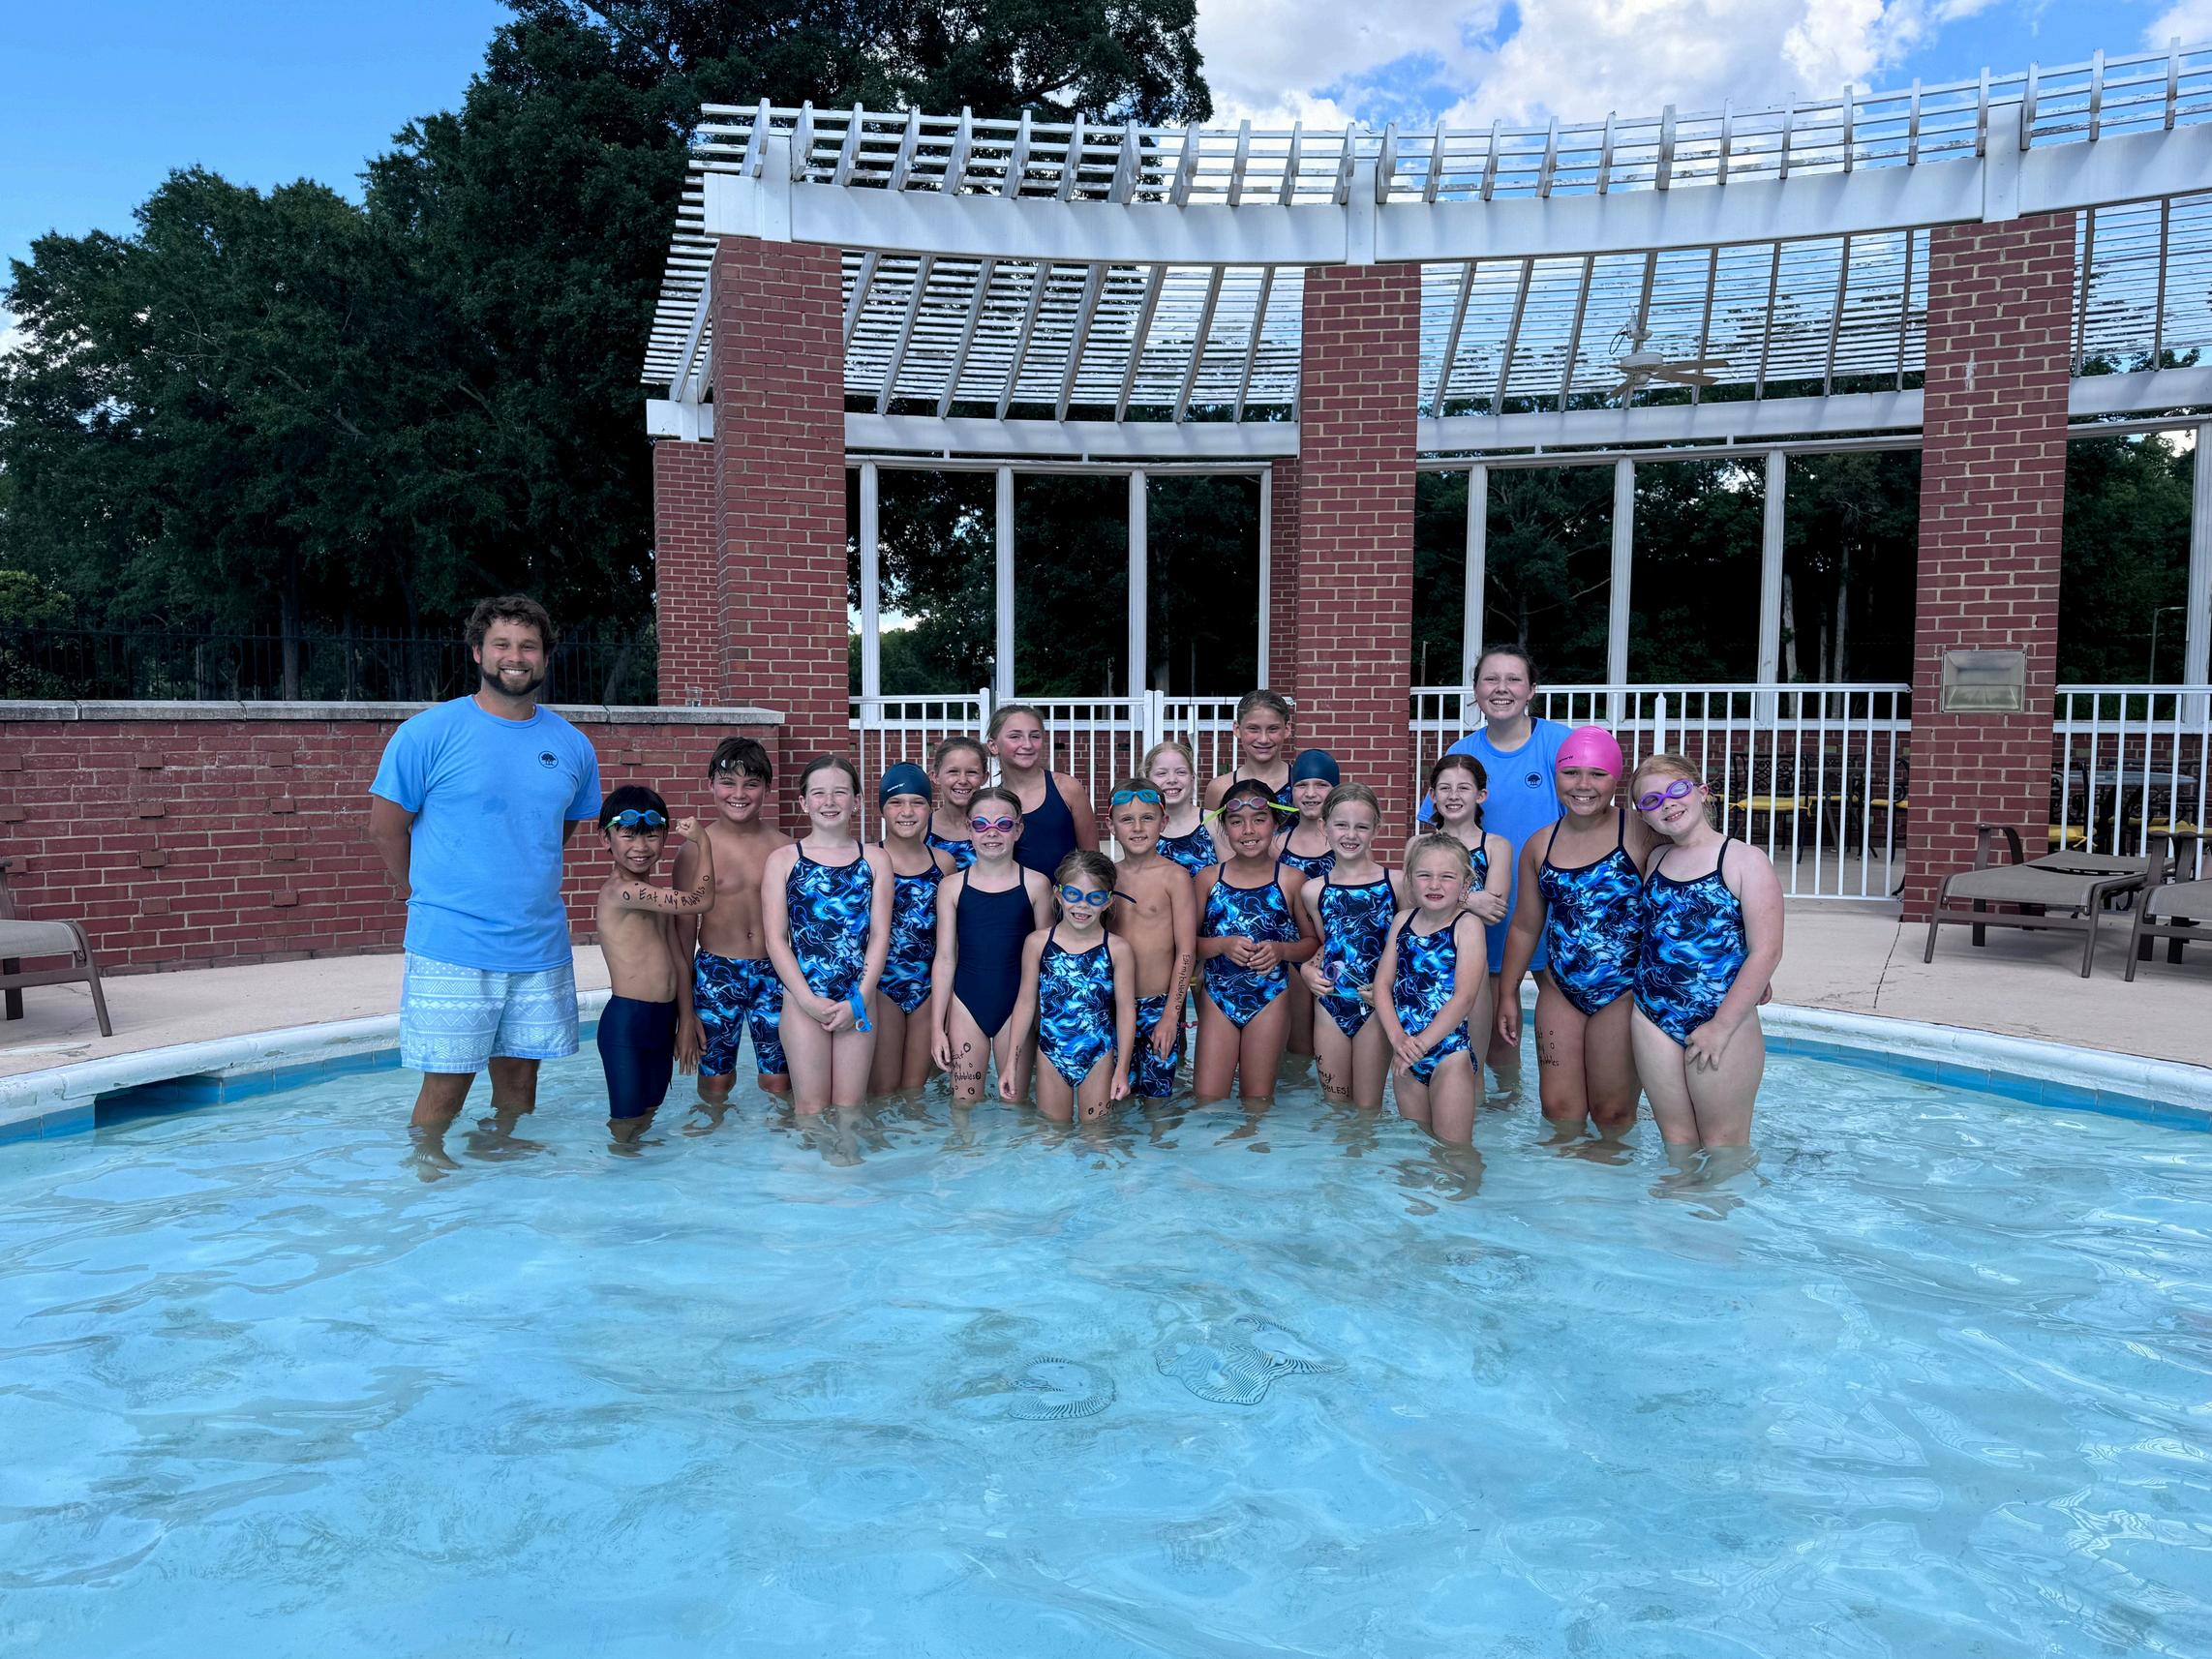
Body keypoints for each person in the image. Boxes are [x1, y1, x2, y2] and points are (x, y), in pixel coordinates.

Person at [367, 595, 601, 1169]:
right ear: (478, 652)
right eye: (501, 644)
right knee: (447, 1080)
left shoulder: (572, 745)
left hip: (538, 943)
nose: (514, 657)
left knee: (521, 1078)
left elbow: (558, 829)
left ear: (545, 656)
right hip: (454, 942)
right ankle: (425, 1168)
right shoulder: (427, 734)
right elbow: (386, 828)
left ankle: (500, 1152)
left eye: (528, 646)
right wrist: (418, 892)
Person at [1497, 727, 1657, 1136]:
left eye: (1597, 774)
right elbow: (1525, 926)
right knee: (1558, 1110)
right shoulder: (1540, 845)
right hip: (1560, 990)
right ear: (1556, 777)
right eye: (1571, 773)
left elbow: (1690, 897)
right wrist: (1509, 993)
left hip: (1622, 992)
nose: (1583, 785)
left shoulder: (1640, 833)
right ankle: (1562, 1180)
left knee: (1612, 1113)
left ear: (1616, 778)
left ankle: (1609, 1176)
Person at [1628, 753, 1784, 1172]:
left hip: (1721, 1015)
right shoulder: (1656, 860)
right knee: (1677, 1143)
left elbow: (1767, 950)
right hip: (1652, 1015)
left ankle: (1717, 1216)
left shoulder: (1744, 860)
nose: (1667, 803)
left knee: (1724, 1148)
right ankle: (1676, 1212)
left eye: (1676, 790)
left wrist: (1721, 1026)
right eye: (1652, 800)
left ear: (1702, 792)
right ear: (1643, 815)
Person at [1424, 647, 1572, 1069]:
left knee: (1563, 1038)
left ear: (1532, 690)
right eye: (1490, 679)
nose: (1501, 689)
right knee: (1498, 1040)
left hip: (1554, 908)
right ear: (1475, 690)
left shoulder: (1559, 743)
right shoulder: (1463, 752)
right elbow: (1437, 842)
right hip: (1486, 910)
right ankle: (1507, 1104)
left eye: (1513, 679)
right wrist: (1463, 898)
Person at [760, 757, 894, 1113]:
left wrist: (859, 999)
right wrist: (806, 1000)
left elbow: (880, 935)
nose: (829, 802)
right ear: (804, 802)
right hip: (802, 999)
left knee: (850, 1109)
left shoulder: (876, 860)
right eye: (819, 793)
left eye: (840, 792)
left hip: (858, 997)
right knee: (811, 1110)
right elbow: (775, 940)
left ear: (857, 801)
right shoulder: (783, 860)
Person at [673, 737, 791, 1114]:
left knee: (779, 1079)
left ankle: (782, 1140)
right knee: (716, 1080)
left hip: (773, 973)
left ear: (767, 788)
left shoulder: (785, 848)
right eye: (728, 783)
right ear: (711, 784)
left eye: (751, 784)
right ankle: (715, 1137)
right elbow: (683, 937)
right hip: (716, 974)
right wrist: (685, 1013)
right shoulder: (694, 850)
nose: (738, 794)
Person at [591, 789, 713, 1147]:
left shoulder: (652, 896)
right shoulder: (622, 892)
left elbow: (678, 960)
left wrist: (686, 1019)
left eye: (651, 835)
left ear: (664, 836)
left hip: (662, 1020)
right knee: (625, 1124)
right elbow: (701, 900)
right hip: (627, 1023)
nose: (640, 846)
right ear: (606, 839)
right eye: (628, 835)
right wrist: (703, 844)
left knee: (647, 1115)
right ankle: (620, 1174)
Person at [1193, 779, 1319, 1105]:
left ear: (1275, 824)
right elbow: (1187, 945)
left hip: (1270, 999)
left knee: (1257, 1103)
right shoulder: (1208, 879)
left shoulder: (1291, 879)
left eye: (1259, 820)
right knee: (1207, 1101)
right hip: (1217, 999)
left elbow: (1311, 944)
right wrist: (1221, 945)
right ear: (1224, 827)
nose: (1248, 830)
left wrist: (1281, 950)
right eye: (1236, 822)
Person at [931, 784, 1054, 1103]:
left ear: (1018, 829)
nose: (992, 832)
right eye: (981, 824)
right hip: (966, 1006)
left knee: (1015, 1103)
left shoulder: (1037, 885)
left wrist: (1042, 1017)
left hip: (1017, 1007)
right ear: (968, 828)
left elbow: (1047, 960)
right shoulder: (951, 887)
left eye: (1004, 824)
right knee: (963, 1104)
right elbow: (945, 958)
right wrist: (937, 1027)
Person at [1377, 832, 1490, 1145]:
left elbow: (1464, 998)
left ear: (1465, 885)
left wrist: (1421, 1044)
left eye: (1447, 877)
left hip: (1449, 1053)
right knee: (1416, 1148)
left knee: (1454, 1152)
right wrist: (1398, 1039)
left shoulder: (1467, 925)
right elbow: (1383, 985)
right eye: (1424, 875)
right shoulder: (1402, 922)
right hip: (1406, 1053)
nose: (1434, 884)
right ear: (1410, 881)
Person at [1005, 851, 1136, 1124]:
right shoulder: (1038, 943)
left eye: (1094, 898)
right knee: (1052, 1134)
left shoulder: (1117, 949)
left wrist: (1122, 1069)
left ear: (1108, 901)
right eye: (1074, 895)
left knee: (1098, 1137)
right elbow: (1025, 1003)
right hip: (1051, 1054)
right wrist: (1010, 1063)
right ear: (1058, 894)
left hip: (1099, 1055)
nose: (1082, 905)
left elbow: (1125, 1011)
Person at [1296, 782, 1398, 1111]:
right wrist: (1307, 971)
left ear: (1376, 830)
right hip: (1330, 1004)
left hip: (1375, 1006)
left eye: (1361, 827)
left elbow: (1409, 945)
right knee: (1335, 1107)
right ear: (1323, 827)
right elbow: (1328, 945)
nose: (1350, 835)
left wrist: (1389, 990)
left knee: (1368, 1110)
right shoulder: (1313, 891)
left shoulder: (1396, 884)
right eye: (1341, 825)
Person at [1103, 780, 1197, 1100]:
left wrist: (1171, 1015)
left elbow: (1186, 951)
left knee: (1158, 1101)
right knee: (1113, 1096)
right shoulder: (1106, 878)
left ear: (1163, 822)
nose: (1138, 827)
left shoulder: (1175, 877)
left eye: (1147, 818)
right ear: (1111, 826)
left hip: (1158, 1007)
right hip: (1113, 1005)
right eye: (1127, 820)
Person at [873, 763, 954, 1095]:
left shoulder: (943, 863)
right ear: (882, 809)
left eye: (917, 802)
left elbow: (950, 938)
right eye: (896, 802)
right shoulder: (868, 859)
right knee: (882, 1091)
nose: (907, 812)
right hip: (881, 987)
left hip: (927, 989)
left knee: (914, 1092)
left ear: (930, 808)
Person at [1274, 748, 1339, 1062]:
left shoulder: (1344, 840)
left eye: (1321, 785)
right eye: (1302, 785)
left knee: (1331, 1047)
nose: (1310, 793)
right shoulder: (1278, 843)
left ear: (1335, 789)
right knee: (1298, 1051)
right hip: (1293, 955)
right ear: (1291, 790)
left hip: (1335, 952)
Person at [986, 704, 1097, 880]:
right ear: (993, 746)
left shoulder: (1067, 788)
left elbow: (1092, 859)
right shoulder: (990, 802)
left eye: (1035, 736)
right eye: (1015, 736)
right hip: (1013, 896)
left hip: (1063, 895)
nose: (1027, 744)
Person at [1427, 755, 1513, 936]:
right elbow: (1411, 903)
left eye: (1463, 788)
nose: (1453, 796)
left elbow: (1492, 913)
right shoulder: (1418, 845)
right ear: (1433, 795)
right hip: (1424, 949)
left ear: (1480, 795)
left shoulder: (1496, 846)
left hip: (1475, 947)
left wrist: (1434, 898)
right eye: (1445, 788)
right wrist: (1470, 900)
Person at [1203, 689, 1297, 811]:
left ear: (1287, 729)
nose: (1263, 739)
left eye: (1273, 729)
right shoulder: (1220, 789)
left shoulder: (1304, 785)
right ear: (1237, 729)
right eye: (1253, 729)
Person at [1144, 738, 1219, 875]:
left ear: (1192, 778)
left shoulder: (1214, 823)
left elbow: (1231, 878)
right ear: (1148, 780)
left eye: (1181, 772)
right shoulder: (1141, 827)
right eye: (1162, 773)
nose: (1172, 780)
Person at [926, 736, 990, 868]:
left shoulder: (996, 829)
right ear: (935, 776)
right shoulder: (921, 830)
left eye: (971, 772)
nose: (962, 780)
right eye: (953, 772)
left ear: (984, 777)